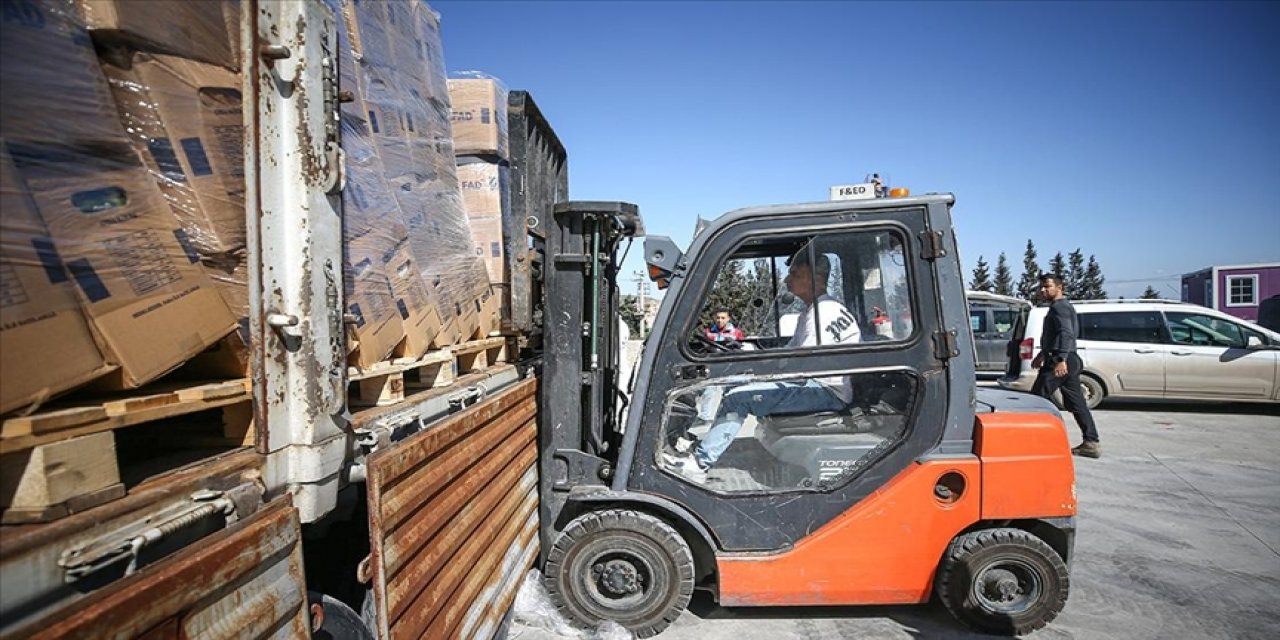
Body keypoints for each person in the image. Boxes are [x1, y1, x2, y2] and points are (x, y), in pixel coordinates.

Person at [667, 250, 862, 482]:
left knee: (740, 398)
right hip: (819, 382)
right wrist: (751, 357)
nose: (787, 280)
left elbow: (802, 364)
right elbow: (792, 353)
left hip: (825, 390)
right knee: (734, 384)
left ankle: (698, 463)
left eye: (794, 274)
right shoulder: (820, 309)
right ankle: (700, 444)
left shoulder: (822, 313)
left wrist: (759, 372)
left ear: (816, 278)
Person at [1031, 273, 1101, 458]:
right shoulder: (1059, 307)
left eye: (1047, 286)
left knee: (1036, 400)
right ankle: (1091, 442)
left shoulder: (1060, 308)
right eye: (1041, 287)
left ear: (1059, 287)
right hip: (1065, 358)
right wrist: (1041, 354)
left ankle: (1035, 442)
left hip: (1061, 360)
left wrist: (1060, 358)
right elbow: (1056, 336)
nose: (1043, 290)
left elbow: (1066, 334)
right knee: (1076, 403)